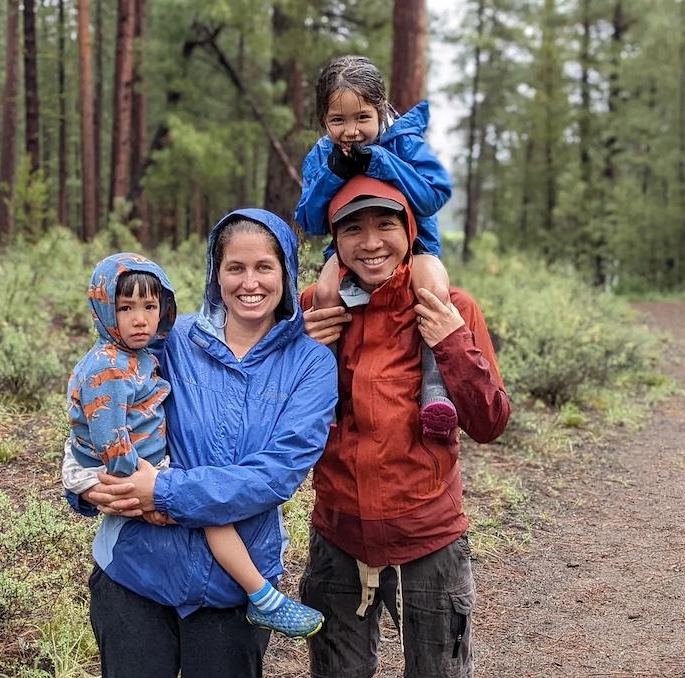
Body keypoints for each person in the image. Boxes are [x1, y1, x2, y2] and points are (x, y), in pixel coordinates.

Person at [62, 210, 338, 678]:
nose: (249, 282)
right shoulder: (172, 340)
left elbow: (274, 476)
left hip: (232, 586)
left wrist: (163, 492)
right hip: (135, 570)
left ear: (287, 273)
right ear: (216, 273)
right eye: (235, 267)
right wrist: (81, 480)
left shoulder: (310, 365)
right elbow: (107, 403)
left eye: (264, 267)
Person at [299, 175, 511, 678]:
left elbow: (489, 422)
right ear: (336, 240)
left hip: (429, 532)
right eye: (353, 229)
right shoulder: (316, 308)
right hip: (339, 531)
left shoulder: (451, 307)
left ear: (409, 229)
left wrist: (453, 344)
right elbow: (275, 419)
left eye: (385, 225)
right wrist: (301, 351)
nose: (370, 243)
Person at [294, 54, 458, 442]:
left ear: (380, 110)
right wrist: (334, 172)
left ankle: (435, 391)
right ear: (323, 122)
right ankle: (327, 392)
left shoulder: (404, 142)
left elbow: (434, 195)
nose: (351, 131)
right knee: (326, 291)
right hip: (350, 251)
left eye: (362, 118)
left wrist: (384, 162)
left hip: (416, 247)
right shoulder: (321, 155)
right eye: (338, 121)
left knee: (433, 287)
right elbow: (311, 220)